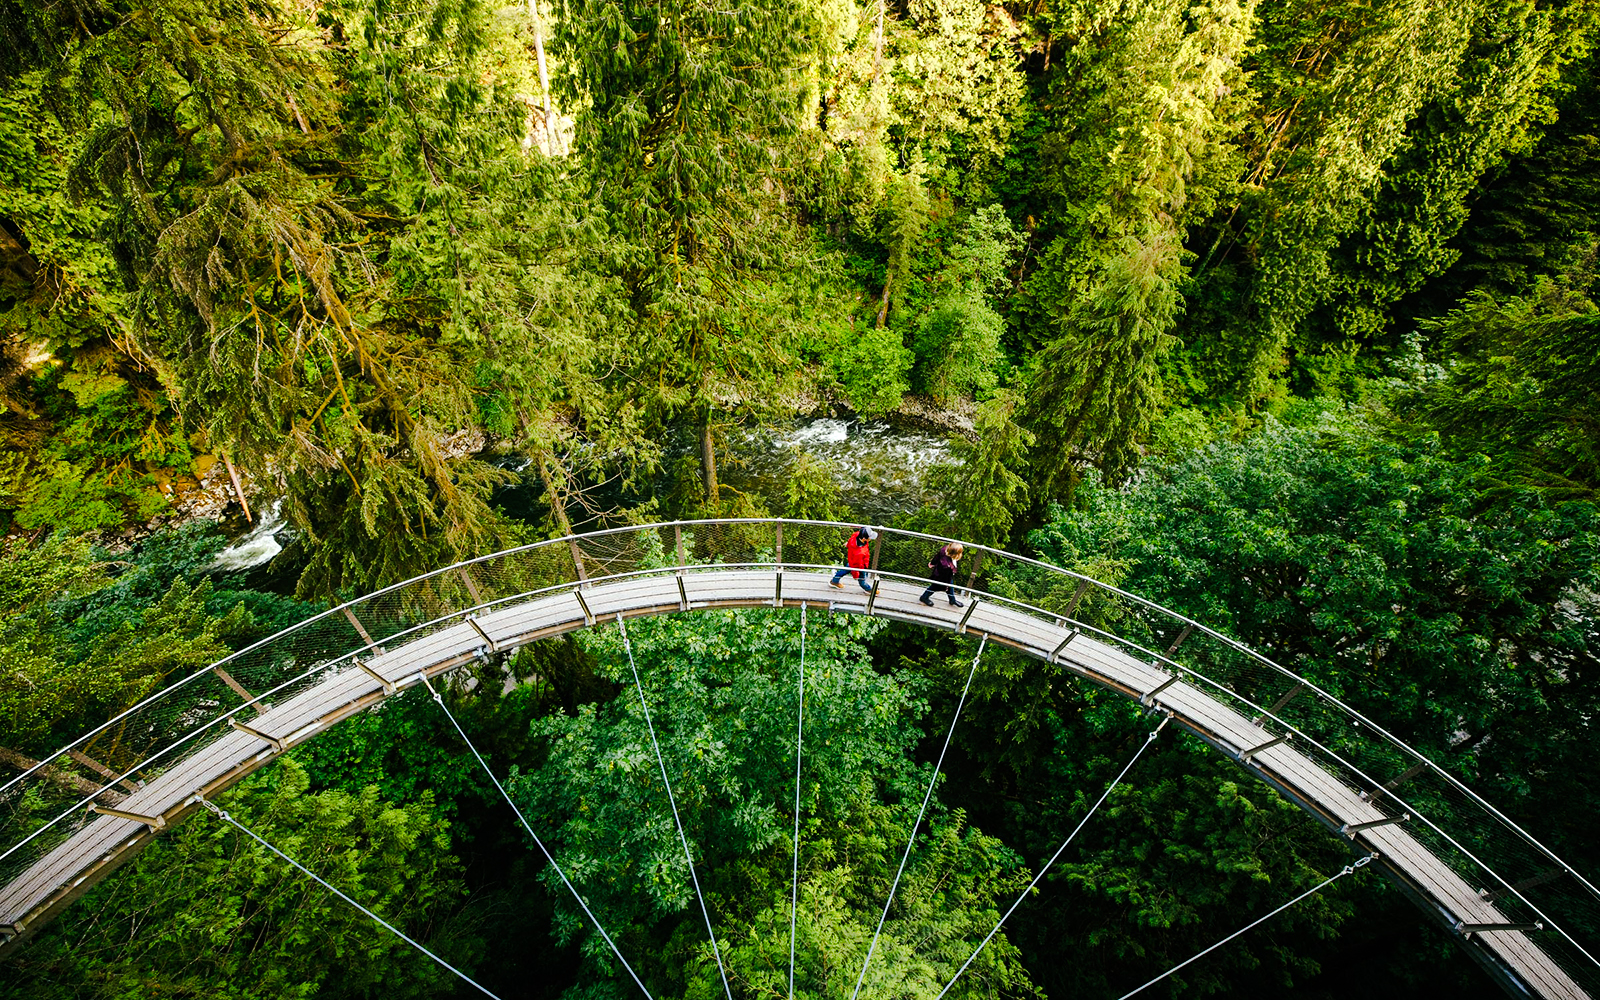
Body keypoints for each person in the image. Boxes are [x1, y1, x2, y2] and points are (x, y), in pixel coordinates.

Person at [830, 526, 876, 592]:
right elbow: (857, 566)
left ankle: (834, 581)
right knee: (862, 579)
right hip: (860, 565)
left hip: (852, 559)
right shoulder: (860, 552)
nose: (871, 539)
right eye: (870, 537)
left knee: (847, 568)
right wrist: (856, 575)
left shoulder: (856, 535)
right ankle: (869, 590)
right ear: (863, 538)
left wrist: (848, 544)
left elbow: (851, 540)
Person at [920, 542, 964, 607]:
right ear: (955, 554)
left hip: (942, 573)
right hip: (941, 577)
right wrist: (946, 586)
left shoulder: (945, 549)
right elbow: (946, 577)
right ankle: (924, 597)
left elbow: (937, 557)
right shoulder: (947, 566)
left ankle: (952, 600)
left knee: (950, 586)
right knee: (934, 587)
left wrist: (932, 563)